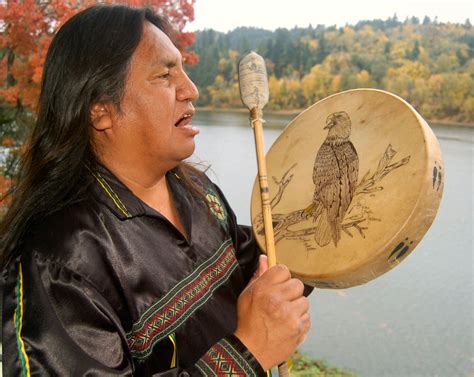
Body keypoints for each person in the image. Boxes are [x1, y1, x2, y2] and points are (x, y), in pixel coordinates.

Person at [0, 5, 311, 376]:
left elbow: (251, 261)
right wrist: (250, 351)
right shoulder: (58, 263)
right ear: (101, 111)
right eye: (165, 75)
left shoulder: (195, 189)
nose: (191, 89)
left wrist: (325, 231)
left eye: (183, 69)